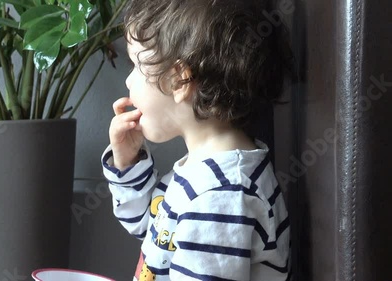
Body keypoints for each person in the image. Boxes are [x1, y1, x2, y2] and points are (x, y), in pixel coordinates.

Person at [101, 0, 292, 280]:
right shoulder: (203, 173)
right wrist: (128, 162)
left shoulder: (220, 196)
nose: (128, 82)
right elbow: (148, 226)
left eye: (136, 65)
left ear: (179, 81)